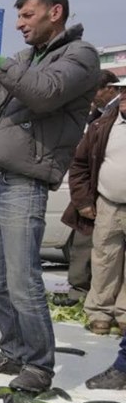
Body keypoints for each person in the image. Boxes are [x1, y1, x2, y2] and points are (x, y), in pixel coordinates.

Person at [0, 0, 100, 393]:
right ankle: (12, 350)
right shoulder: (22, 57)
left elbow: (43, 95)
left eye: (27, 16)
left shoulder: (79, 56)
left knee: (22, 279)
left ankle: (38, 365)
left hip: (25, 179)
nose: (19, 25)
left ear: (55, 13)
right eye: (17, 17)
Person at [64, 82, 126, 336]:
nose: (124, 97)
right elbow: (79, 165)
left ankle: (123, 314)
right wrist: (84, 201)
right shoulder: (102, 126)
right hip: (108, 203)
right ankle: (100, 312)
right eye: (123, 92)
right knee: (103, 259)